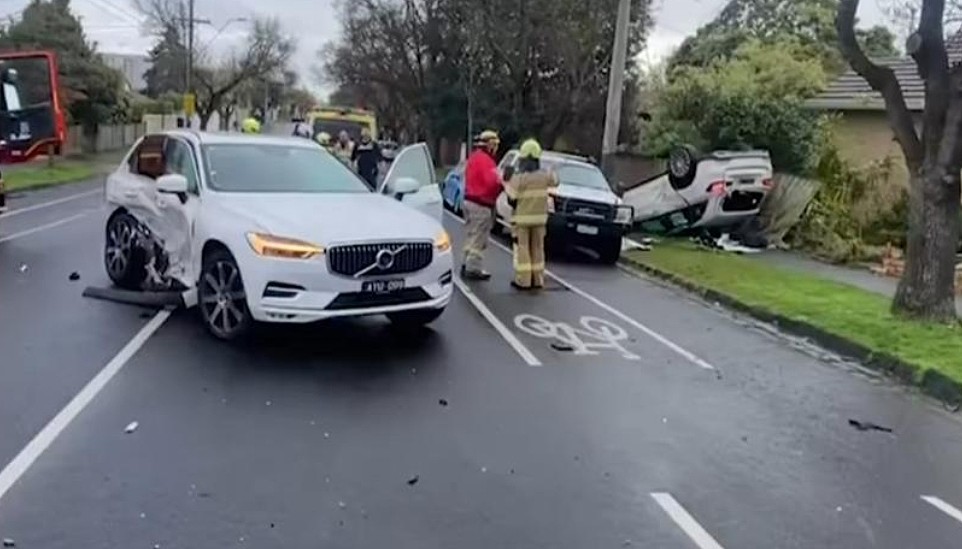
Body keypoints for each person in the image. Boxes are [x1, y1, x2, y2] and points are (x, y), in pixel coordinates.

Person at [504, 139, 558, 290]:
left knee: (523, 250)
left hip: (523, 220)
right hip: (540, 220)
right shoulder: (544, 177)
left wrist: (507, 181)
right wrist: (552, 169)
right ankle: (537, 280)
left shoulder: (520, 178)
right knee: (538, 249)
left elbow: (511, 198)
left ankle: (524, 280)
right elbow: (556, 180)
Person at [461, 130, 503, 280]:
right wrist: (502, 184)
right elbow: (492, 182)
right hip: (481, 204)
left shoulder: (474, 158)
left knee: (471, 235)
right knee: (479, 238)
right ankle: (473, 268)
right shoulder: (486, 161)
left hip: (469, 201)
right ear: (490, 144)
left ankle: (466, 263)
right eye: (495, 144)